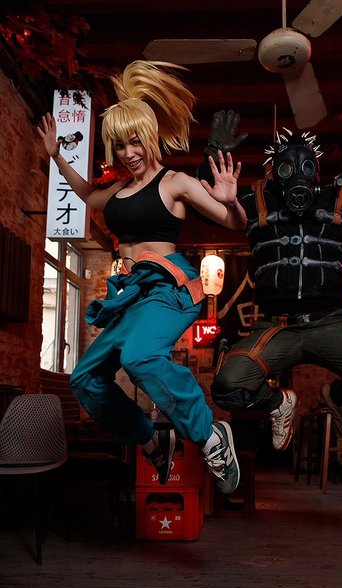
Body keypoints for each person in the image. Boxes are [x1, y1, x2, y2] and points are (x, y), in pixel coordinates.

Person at [37, 60, 247, 494]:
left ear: (150, 137)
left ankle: (209, 435)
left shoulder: (176, 183)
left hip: (169, 288)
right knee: (85, 379)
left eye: (135, 141)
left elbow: (234, 222)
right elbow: (86, 194)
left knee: (138, 358)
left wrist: (232, 200)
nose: (128, 153)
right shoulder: (116, 190)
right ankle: (151, 442)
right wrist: (57, 155)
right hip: (130, 295)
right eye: (119, 145)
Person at [203, 95, 342, 449]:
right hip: (275, 327)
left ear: (316, 169)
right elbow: (205, 203)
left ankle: (337, 396)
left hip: (329, 323)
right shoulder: (254, 202)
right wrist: (214, 156)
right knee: (228, 388)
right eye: (285, 170)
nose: (296, 175)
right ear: (273, 172)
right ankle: (279, 404)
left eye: (305, 166)